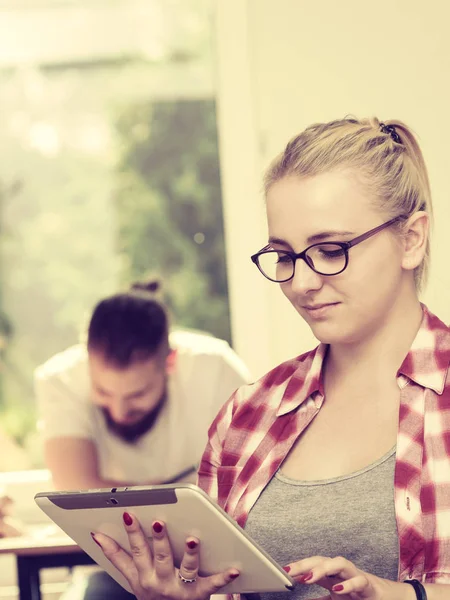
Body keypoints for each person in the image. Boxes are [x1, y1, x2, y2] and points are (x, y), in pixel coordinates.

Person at [90, 117, 450, 600]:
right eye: (284, 256)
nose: (301, 283)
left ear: (411, 239)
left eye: (329, 250)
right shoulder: (249, 413)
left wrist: (403, 596)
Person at [36, 279, 251, 600]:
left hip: (214, 558)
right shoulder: (59, 378)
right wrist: (177, 498)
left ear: (171, 362)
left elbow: (250, 487)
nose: (120, 411)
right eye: (104, 392)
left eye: (138, 394)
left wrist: (123, 495)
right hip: (111, 565)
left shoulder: (216, 367)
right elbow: (75, 490)